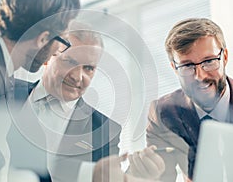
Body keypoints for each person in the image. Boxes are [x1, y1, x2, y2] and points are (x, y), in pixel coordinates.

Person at [15, 22, 165, 182]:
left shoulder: (105, 130)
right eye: (70, 62)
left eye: (88, 68)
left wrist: (135, 175)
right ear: (46, 56)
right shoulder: (2, 92)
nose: (78, 77)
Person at [146, 18, 232, 181]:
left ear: (224, 57)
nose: (200, 76)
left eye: (209, 61)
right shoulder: (164, 113)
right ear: (174, 68)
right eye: (187, 66)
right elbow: (161, 178)